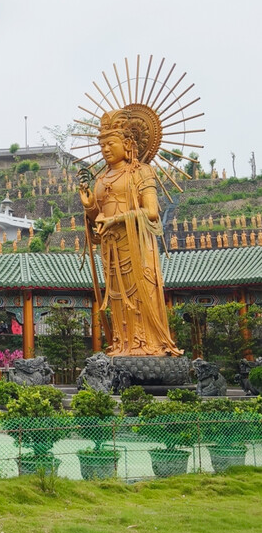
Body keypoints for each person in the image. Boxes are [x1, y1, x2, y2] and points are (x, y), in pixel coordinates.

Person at [78, 109, 182, 358]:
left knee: (141, 294)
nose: (105, 149)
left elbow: (152, 213)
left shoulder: (141, 172)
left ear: (126, 144)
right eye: (101, 145)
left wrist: (117, 219)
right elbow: (99, 219)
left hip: (137, 245)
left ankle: (148, 344)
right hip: (112, 248)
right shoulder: (101, 179)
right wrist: (90, 206)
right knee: (116, 298)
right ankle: (123, 343)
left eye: (110, 143)